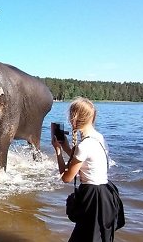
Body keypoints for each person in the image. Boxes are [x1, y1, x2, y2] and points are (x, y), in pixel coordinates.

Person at [51, 97, 122, 242]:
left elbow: (66, 178)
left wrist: (58, 151)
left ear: (73, 118)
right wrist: (65, 147)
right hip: (106, 194)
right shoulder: (98, 138)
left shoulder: (84, 145)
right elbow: (84, 161)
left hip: (93, 198)